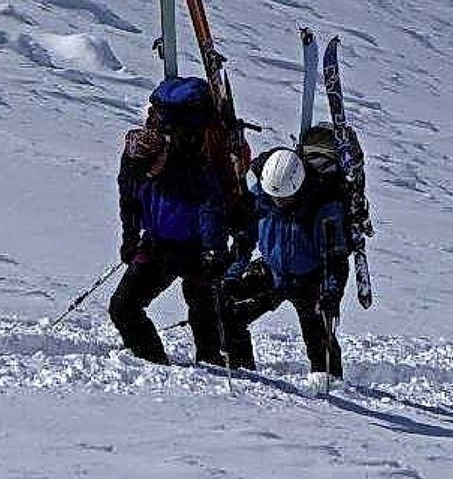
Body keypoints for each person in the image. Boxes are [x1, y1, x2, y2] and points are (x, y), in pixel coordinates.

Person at [109, 123, 238, 367]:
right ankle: (152, 362)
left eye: (150, 168)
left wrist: (214, 252)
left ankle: (213, 370)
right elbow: (129, 203)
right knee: (122, 306)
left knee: (204, 314)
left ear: (163, 154)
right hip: (156, 244)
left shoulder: (192, 169)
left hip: (196, 250)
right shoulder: (133, 165)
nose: (147, 174)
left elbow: (211, 209)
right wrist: (130, 238)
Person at [223, 147, 351, 382]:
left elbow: (335, 258)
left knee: (319, 340)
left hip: (310, 279)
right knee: (229, 314)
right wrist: (232, 276)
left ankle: (331, 388)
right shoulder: (260, 198)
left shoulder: (322, 207)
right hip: (272, 272)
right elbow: (243, 242)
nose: (279, 202)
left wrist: (332, 292)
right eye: (275, 196)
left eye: (285, 197)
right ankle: (244, 374)